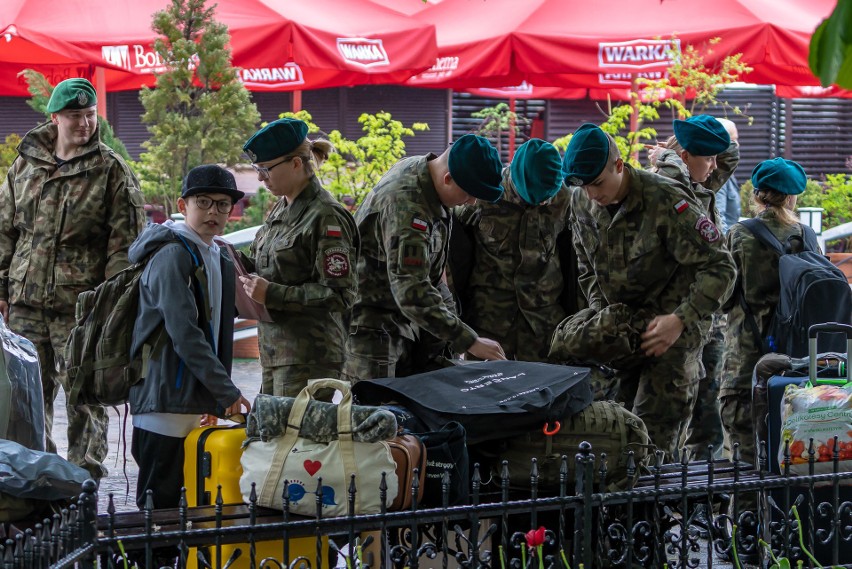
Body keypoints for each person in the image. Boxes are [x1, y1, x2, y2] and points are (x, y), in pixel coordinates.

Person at [0, 78, 145, 479]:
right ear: (55, 117)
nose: (84, 123)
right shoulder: (26, 165)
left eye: (89, 114)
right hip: (26, 304)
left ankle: (85, 481)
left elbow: (126, 247)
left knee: (84, 396)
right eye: (74, 116)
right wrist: (1, 287)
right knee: (27, 397)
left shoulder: (110, 170)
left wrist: (111, 305)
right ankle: (35, 481)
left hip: (81, 308)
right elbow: (5, 230)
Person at [563, 123, 736, 461]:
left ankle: (653, 514)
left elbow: (721, 267)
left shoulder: (666, 199)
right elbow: (586, 266)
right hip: (622, 338)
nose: (592, 194)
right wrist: (604, 315)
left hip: (670, 341)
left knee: (651, 450)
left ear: (618, 165)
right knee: (615, 443)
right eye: (583, 186)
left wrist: (680, 319)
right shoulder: (582, 203)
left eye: (597, 183)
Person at [128, 164, 251, 510]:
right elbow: (185, 334)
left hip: (190, 400)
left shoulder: (217, 254)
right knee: (160, 508)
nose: (214, 211)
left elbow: (215, 332)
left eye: (223, 204)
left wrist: (209, 398)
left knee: (189, 504)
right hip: (163, 400)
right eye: (204, 202)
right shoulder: (171, 254)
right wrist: (225, 392)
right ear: (183, 206)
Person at [343, 134, 507, 381]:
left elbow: (430, 274)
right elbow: (411, 291)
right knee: (376, 412)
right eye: (469, 194)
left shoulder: (426, 175)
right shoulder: (407, 207)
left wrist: (451, 327)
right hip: (373, 327)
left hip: (407, 320)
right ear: (448, 179)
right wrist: (469, 341)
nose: (471, 202)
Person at [238, 118, 359, 397]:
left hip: (309, 358)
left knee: (295, 440)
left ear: (295, 164)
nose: (259, 178)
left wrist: (274, 294)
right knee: (269, 438)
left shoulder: (327, 216)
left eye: (265, 169)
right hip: (276, 352)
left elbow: (340, 295)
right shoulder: (281, 209)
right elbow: (266, 268)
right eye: (258, 169)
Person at [651, 115, 738, 461]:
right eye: (707, 158)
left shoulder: (702, 184)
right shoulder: (664, 189)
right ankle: (664, 497)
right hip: (674, 321)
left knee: (708, 415)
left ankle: (705, 499)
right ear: (687, 157)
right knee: (670, 420)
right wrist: (671, 158)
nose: (716, 166)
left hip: (707, 321)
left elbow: (728, 154)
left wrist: (695, 134)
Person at [719, 158, 810, 469]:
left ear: (757, 196)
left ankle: (746, 518)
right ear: (791, 197)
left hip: (746, 365)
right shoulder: (806, 238)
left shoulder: (740, 235)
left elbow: (722, 296)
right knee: (794, 455)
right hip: (796, 366)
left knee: (744, 457)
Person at [452, 138, 574, 362]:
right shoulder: (485, 195)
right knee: (483, 391)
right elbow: (452, 245)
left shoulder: (565, 199)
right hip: (489, 319)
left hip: (544, 321)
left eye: (546, 199)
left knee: (544, 390)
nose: (543, 204)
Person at [714, 118, 742, 234]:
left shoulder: (727, 171)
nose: (737, 145)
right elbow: (719, 218)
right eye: (733, 140)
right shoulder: (718, 174)